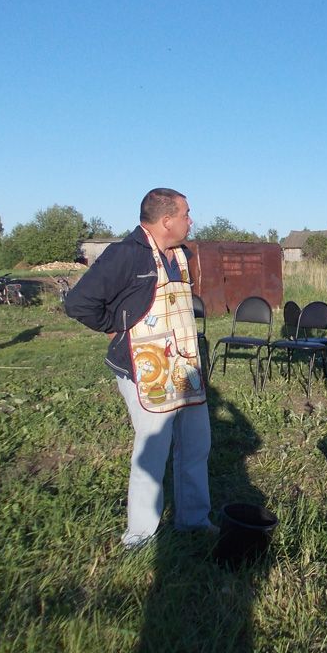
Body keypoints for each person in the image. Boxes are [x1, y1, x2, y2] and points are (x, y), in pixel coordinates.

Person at [65, 188, 214, 548]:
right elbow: (79, 303)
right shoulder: (125, 255)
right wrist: (113, 326)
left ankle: (194, 520)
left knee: (196, 444)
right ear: (167, 221)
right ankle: (141, 536)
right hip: (143, 369)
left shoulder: (180, 255)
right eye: (186, 214)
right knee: (152, 451)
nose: (190, 221)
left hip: (184, 369)